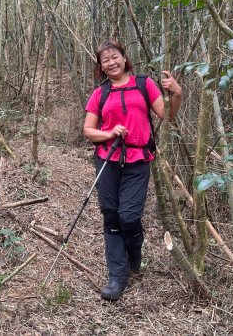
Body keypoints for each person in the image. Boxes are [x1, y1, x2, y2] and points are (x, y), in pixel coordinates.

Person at [83, 39, 182, 300]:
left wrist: (177, 93)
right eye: (105, 60)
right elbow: (88, 131)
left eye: (115, 57)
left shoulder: (144, 84)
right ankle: (117, 277)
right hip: (108, 159)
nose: (111, 62)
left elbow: (168, 117)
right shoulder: (100, 93)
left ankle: (134, 253)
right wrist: (109, 132)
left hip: (138, 159)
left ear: (125, 59)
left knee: (129, 216)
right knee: (111, 216)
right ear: (101, 67)